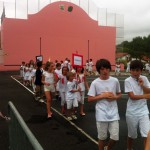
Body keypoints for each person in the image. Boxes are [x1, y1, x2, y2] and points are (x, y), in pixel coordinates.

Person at [88, 58, 122, 150]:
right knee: (102, 137)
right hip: (101, 113)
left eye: (107, 68)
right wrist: (103, 96)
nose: (105, 71)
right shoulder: (95, 83)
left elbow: (119, 94)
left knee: (115, 137)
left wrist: (114, 97)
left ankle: (108, 148)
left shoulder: (115, 80)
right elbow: (90, 98)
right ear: (99, 70)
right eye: (102, 69)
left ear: (109, 69)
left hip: (114, 112)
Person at [124, 60, 150, 150]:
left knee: (147, 134)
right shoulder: (127, 81)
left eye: (137, 70)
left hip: (143, 111)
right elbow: (132, 96)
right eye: (133, 70)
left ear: (141, 70)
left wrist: (142, 85)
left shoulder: (144, 78)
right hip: (132, 112)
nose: (135, 72)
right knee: (131, 135)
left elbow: (149, 91)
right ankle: (129, 148)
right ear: (130, 70)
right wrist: (145, 96)